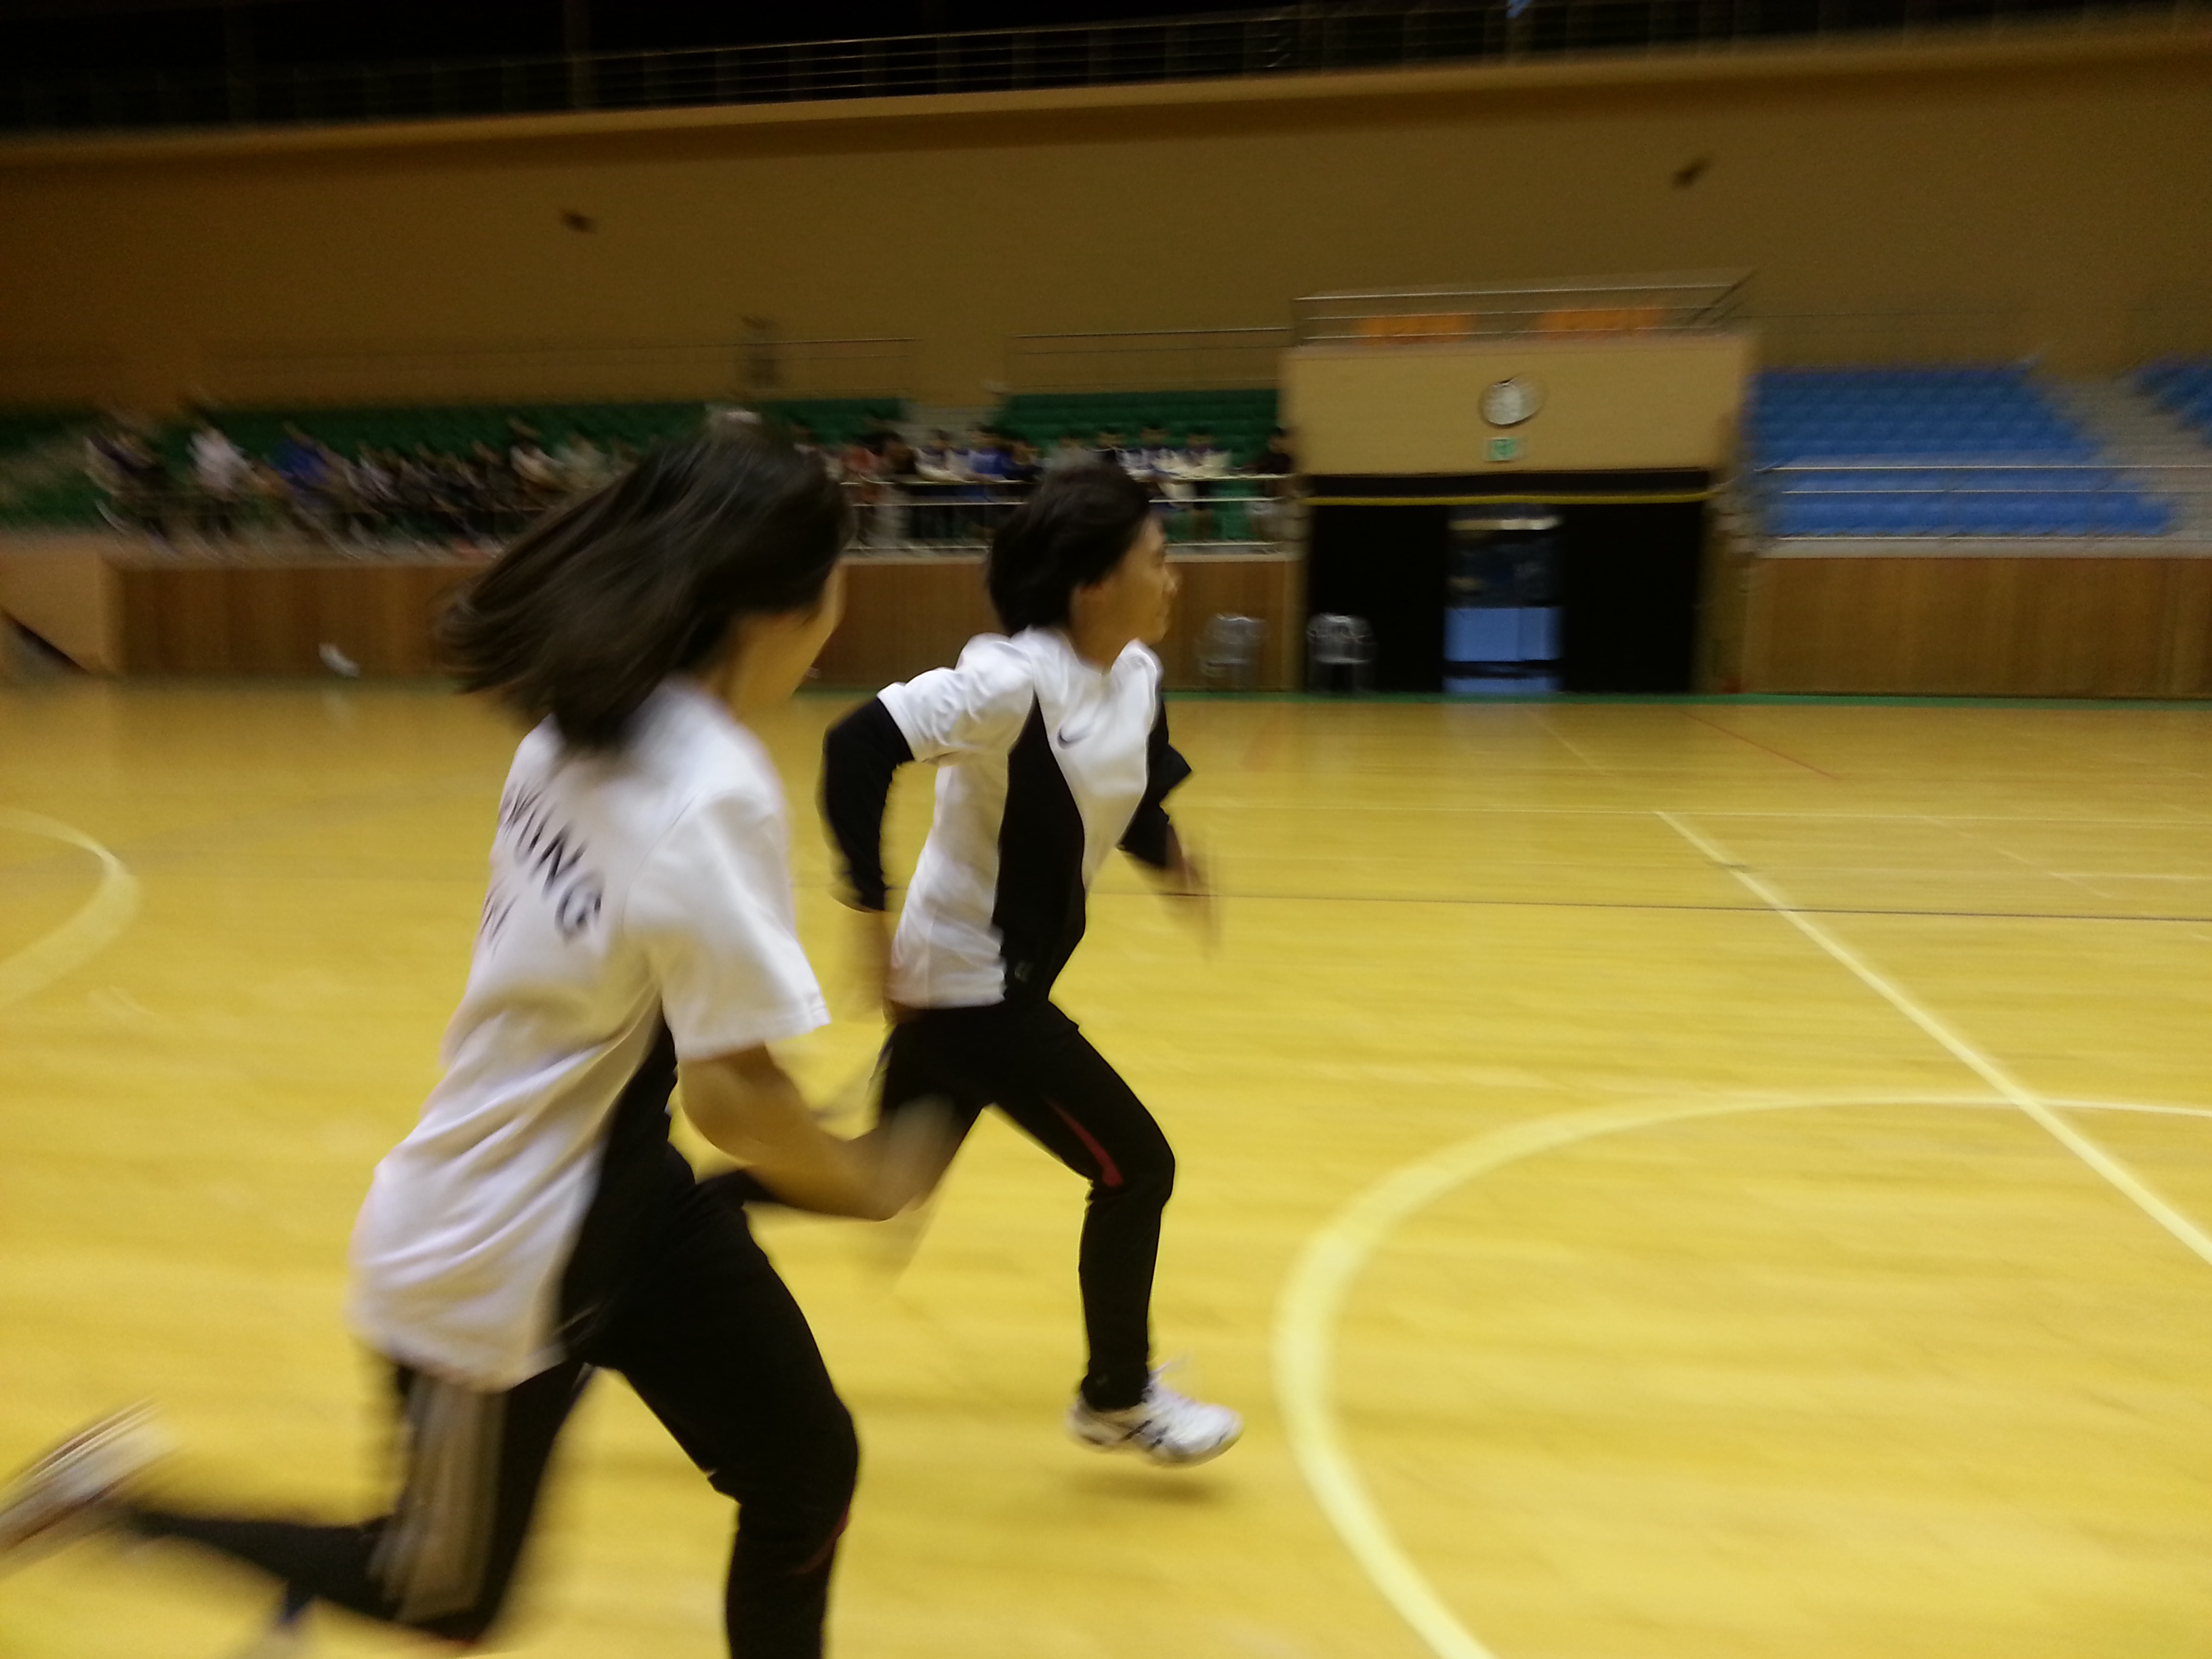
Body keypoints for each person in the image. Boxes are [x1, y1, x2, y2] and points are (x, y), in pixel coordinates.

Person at [0, 436, 950, 1659]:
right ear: (789, 605)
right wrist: (862, 1176)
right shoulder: (710, 786)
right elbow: (740, 1103)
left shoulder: (585, 717)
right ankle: (108, 1505)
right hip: (504, 1240)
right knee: (443, 1596)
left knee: (805, 1469)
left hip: (628, 1198)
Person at [773, 462, 1242, 1467]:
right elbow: (856, 748)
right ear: (1093, 586)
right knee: (1137, 1169)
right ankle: (1116, 1399)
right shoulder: (1007, 683)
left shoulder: (1137, 676)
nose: (1174, 577)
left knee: (879, 1184)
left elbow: (1130, 797)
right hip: (970, 990)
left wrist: (1173, 861)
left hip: (989, 985)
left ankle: (664, 1227)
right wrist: (866, 915)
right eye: (1157, 560)